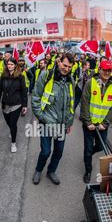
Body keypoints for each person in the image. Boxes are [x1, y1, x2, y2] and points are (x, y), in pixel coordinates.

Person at [31, 53, 75, 185]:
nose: (66, 68)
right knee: (45, 151)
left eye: (69, 67)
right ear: (59, 62)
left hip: (61, 124)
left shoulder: (70, 80)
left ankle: (51, 171)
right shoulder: (46, 75)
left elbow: (70, 103)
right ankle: (38, 170)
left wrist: (69, 122)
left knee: (59, 151)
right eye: (64, 65)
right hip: (46, 122)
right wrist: (41, 117)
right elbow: (35, 97)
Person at [80, 60, 112, 183]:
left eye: (109, 70)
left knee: (99, 146)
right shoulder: (90, 83)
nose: (107, 72)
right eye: (104, 70)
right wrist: (88, 122)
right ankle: (88, 170)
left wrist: (106, 123)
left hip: (103, 125)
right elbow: (85, 103)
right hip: (89, 124)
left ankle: (88, 154)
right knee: (87, 149)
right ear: (99, 70)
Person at [0, 58, 28, 153]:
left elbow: (24, 92)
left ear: (15, 65)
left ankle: (13, 143)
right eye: (8, 64)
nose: (9, 66)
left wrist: (25, 105)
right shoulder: (3, 76)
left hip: (16, 104)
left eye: (11, 64)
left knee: (13, 123)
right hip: (5, 104)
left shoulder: (20, 76)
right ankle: (12, 130)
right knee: (8, 122)